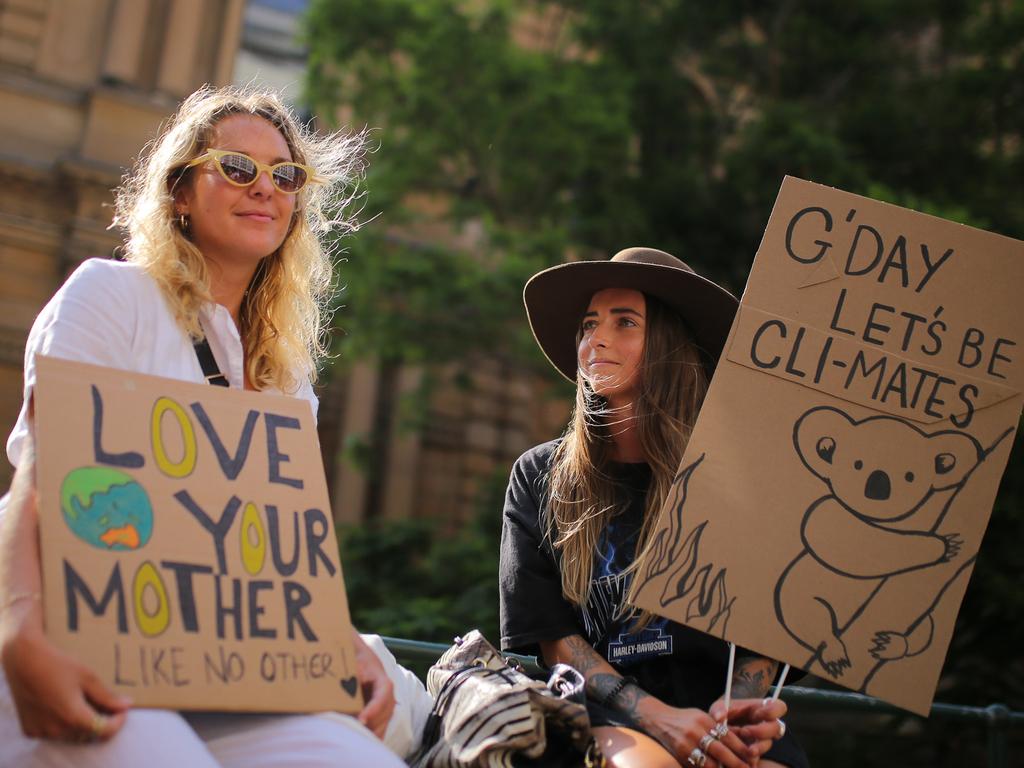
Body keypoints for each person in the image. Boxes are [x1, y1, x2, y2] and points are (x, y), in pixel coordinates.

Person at [0, 85, 417, 767]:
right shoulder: (110, 296)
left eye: (286, 176)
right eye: (235, 167)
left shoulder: (287, 379)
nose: (265, 188)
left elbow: (281, 553)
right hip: (77, 639)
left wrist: (338, 642)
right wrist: (18, 631)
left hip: (228, 668)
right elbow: (42, 479)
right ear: (180, 195)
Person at [500, 248, 809, 768]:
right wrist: (654, 716)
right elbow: (554, 640)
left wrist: (741, 706)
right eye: (589, 323)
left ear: (669, 344)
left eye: (625, 323)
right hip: (602, 714)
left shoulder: (744, 476)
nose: (597, 339)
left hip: (720, 716)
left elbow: (771, 626)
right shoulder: (539, 477)